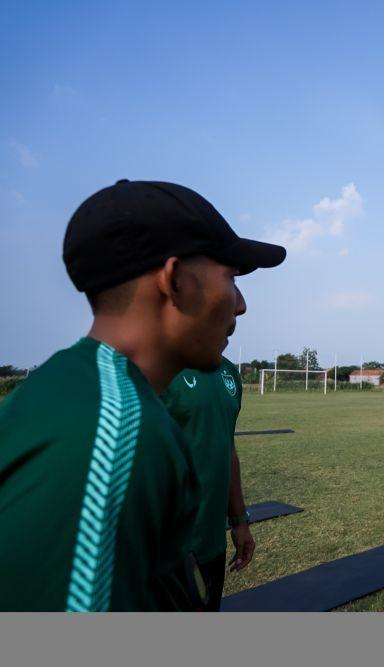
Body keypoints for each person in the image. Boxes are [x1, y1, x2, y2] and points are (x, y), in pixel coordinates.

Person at [0, 179, 285, 611]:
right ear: (173, 281)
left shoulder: (76, 389)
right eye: (230, 277)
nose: (240, 304)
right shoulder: (109, 436)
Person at [161, 356, 254, 611]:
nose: (240, 312)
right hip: (164, 554)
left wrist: (239, 521)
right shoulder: (156, 365)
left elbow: (228, 448)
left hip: (212, 544)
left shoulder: (229, 373)